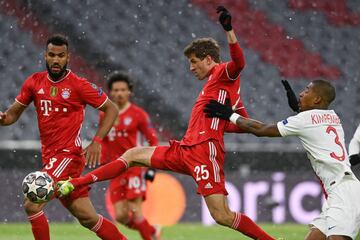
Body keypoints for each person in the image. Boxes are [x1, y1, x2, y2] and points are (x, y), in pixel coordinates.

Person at [58, 6, 275, 240]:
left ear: (209, 59)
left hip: (204, 151)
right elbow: (238, 123)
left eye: (194, 62)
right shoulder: (219, 88)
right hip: (185, 150)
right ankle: (78, 182)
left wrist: (229, 30)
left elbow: (239, 62)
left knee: (222, 215)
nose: (191, 68)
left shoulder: (224, 73)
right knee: (132, 155)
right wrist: (227, 118)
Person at [0, 34, 127, 240]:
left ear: (68, 57)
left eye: (61, 55)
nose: (56, 60)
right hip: (51, 157)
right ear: (45, 56)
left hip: (68, 156)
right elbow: (12, 115)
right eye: (52, 55)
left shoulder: (79, 85)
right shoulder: (34, 82)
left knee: (32, 204)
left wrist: (97, 141)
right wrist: (3, 118)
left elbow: (111, 109)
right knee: (88, 218)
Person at [204, 79, 360, 240]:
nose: (301, 93)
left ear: (317, 99)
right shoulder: (333, 117)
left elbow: (261, 130)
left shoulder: (305, 120)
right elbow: (314, 122)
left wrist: (230, 114)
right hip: (343, 187)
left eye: (307, 91)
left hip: (342, 191)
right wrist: (300, 110)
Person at [100, 71, 160, 240]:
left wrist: (151, 166)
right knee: (121, 216)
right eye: (116, 90)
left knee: (136, 210)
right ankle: (152, 232)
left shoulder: (138, 114)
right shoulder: (104, 114)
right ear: (111, 92)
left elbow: (152, 140)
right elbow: (103, 138)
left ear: (129, 92)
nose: (119, 93)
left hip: (135, 167)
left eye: (123, 90)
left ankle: (149, 236)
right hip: (116, 169)